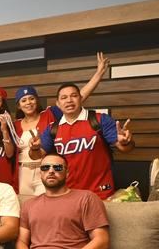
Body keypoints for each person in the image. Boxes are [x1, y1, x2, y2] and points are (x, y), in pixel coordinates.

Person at [14, 52, 111, 196]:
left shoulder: (50, 113)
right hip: (24, 172)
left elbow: (77, 98)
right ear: (18, 106)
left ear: (37, 100)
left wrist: (98, 75)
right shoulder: (15, 124)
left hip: (48, 170)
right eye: (24, 100)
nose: (28, 102)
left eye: (31, 98)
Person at [30, 83, 135, 199]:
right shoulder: (52, 129)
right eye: (64, 98)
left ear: (80, 98)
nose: (69, 100)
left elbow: (125, 148)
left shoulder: (99, 120)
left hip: (99, 193)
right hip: (66, 194)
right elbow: (36, 155)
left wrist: (126, 142)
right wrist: (34, 149)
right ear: (58, 104)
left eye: (73, 96)